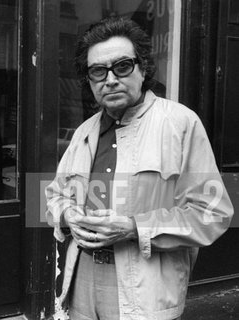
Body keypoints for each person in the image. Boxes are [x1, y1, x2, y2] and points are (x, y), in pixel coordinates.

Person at [45, 17, 234, 320]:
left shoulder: (181, 123)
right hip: (80, 277)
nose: (110, 79)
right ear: (89, 81)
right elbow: (54, 194)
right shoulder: (84, 132)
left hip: (144, 286)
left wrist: (134, 228)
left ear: (143, 68)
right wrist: (68, 214)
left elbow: (213, 213)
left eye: (122, 66)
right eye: (98, 71)